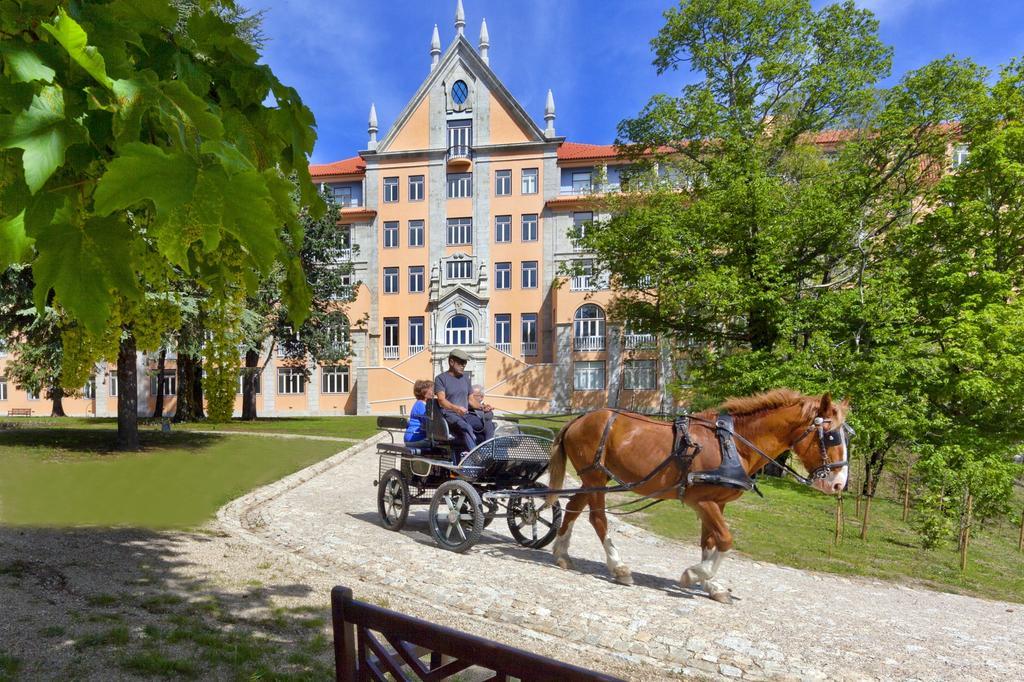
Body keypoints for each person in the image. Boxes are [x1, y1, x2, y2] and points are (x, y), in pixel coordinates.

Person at [434, 349, 494, 459]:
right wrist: (456, 409)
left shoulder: (465, 378)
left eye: (465, 363)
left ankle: (488, 452)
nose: (464, 365)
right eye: (461, 363)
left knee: (488, 423)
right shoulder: (440, 379)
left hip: (466, 415)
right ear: (451, 362)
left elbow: (471, 400)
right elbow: (441, 401)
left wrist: (483, 407)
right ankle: (476, 457)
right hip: (450, 415)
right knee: (465, 427)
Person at [403, 380, 433, 444]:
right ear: (424, 393)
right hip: (416, 437)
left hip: (412, 436)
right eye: (432, 390)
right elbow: (429, 424)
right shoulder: (421, 405)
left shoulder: (419, 403)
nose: (434, 392)